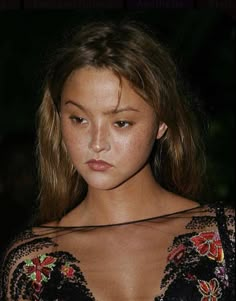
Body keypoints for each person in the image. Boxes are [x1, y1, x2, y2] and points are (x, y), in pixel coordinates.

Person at [0, 19, 234, 301]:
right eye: (79, 119)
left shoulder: (225, 239)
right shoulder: (30, 265)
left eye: (121, 122)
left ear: (161, 122)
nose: (97, 143)